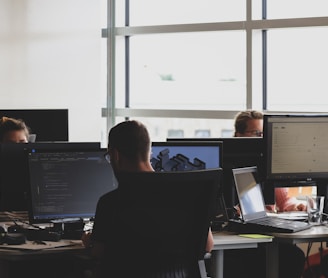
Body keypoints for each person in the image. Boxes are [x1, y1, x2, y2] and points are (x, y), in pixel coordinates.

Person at [82, 120, 214, 277]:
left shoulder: (110, 202)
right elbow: (207, 245)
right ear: (148, 151)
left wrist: (90, 240)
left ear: (116, 155)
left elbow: (98, 253)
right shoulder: (187, 194)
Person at [222, 110, 306, 278]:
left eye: (264, 134)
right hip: (237, 241)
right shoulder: (226, 164)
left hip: (265, 236)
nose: (261, 138)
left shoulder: (267, 165)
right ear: (238, 135)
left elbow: (284, 201)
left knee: (293, 256)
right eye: (256, 133)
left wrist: (296, 206)